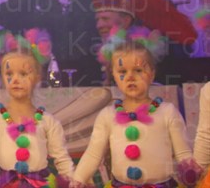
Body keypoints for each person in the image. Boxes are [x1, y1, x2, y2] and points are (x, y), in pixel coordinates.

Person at [72, 27, 200, 188]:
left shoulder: (167, 112)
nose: (130, 77)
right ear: (114, 75)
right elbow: (93, 154)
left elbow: (183, 153)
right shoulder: (107, 115)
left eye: (138, 70)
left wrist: (191, 174)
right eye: (122, 71)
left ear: (152, 74)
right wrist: (77, 180)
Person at [0, 29, 74, 187]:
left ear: (37, 77)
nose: (15, 80)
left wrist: (74, 182)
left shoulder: (48, 121)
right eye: (9, 74)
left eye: (23, 74)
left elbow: (62, 158)